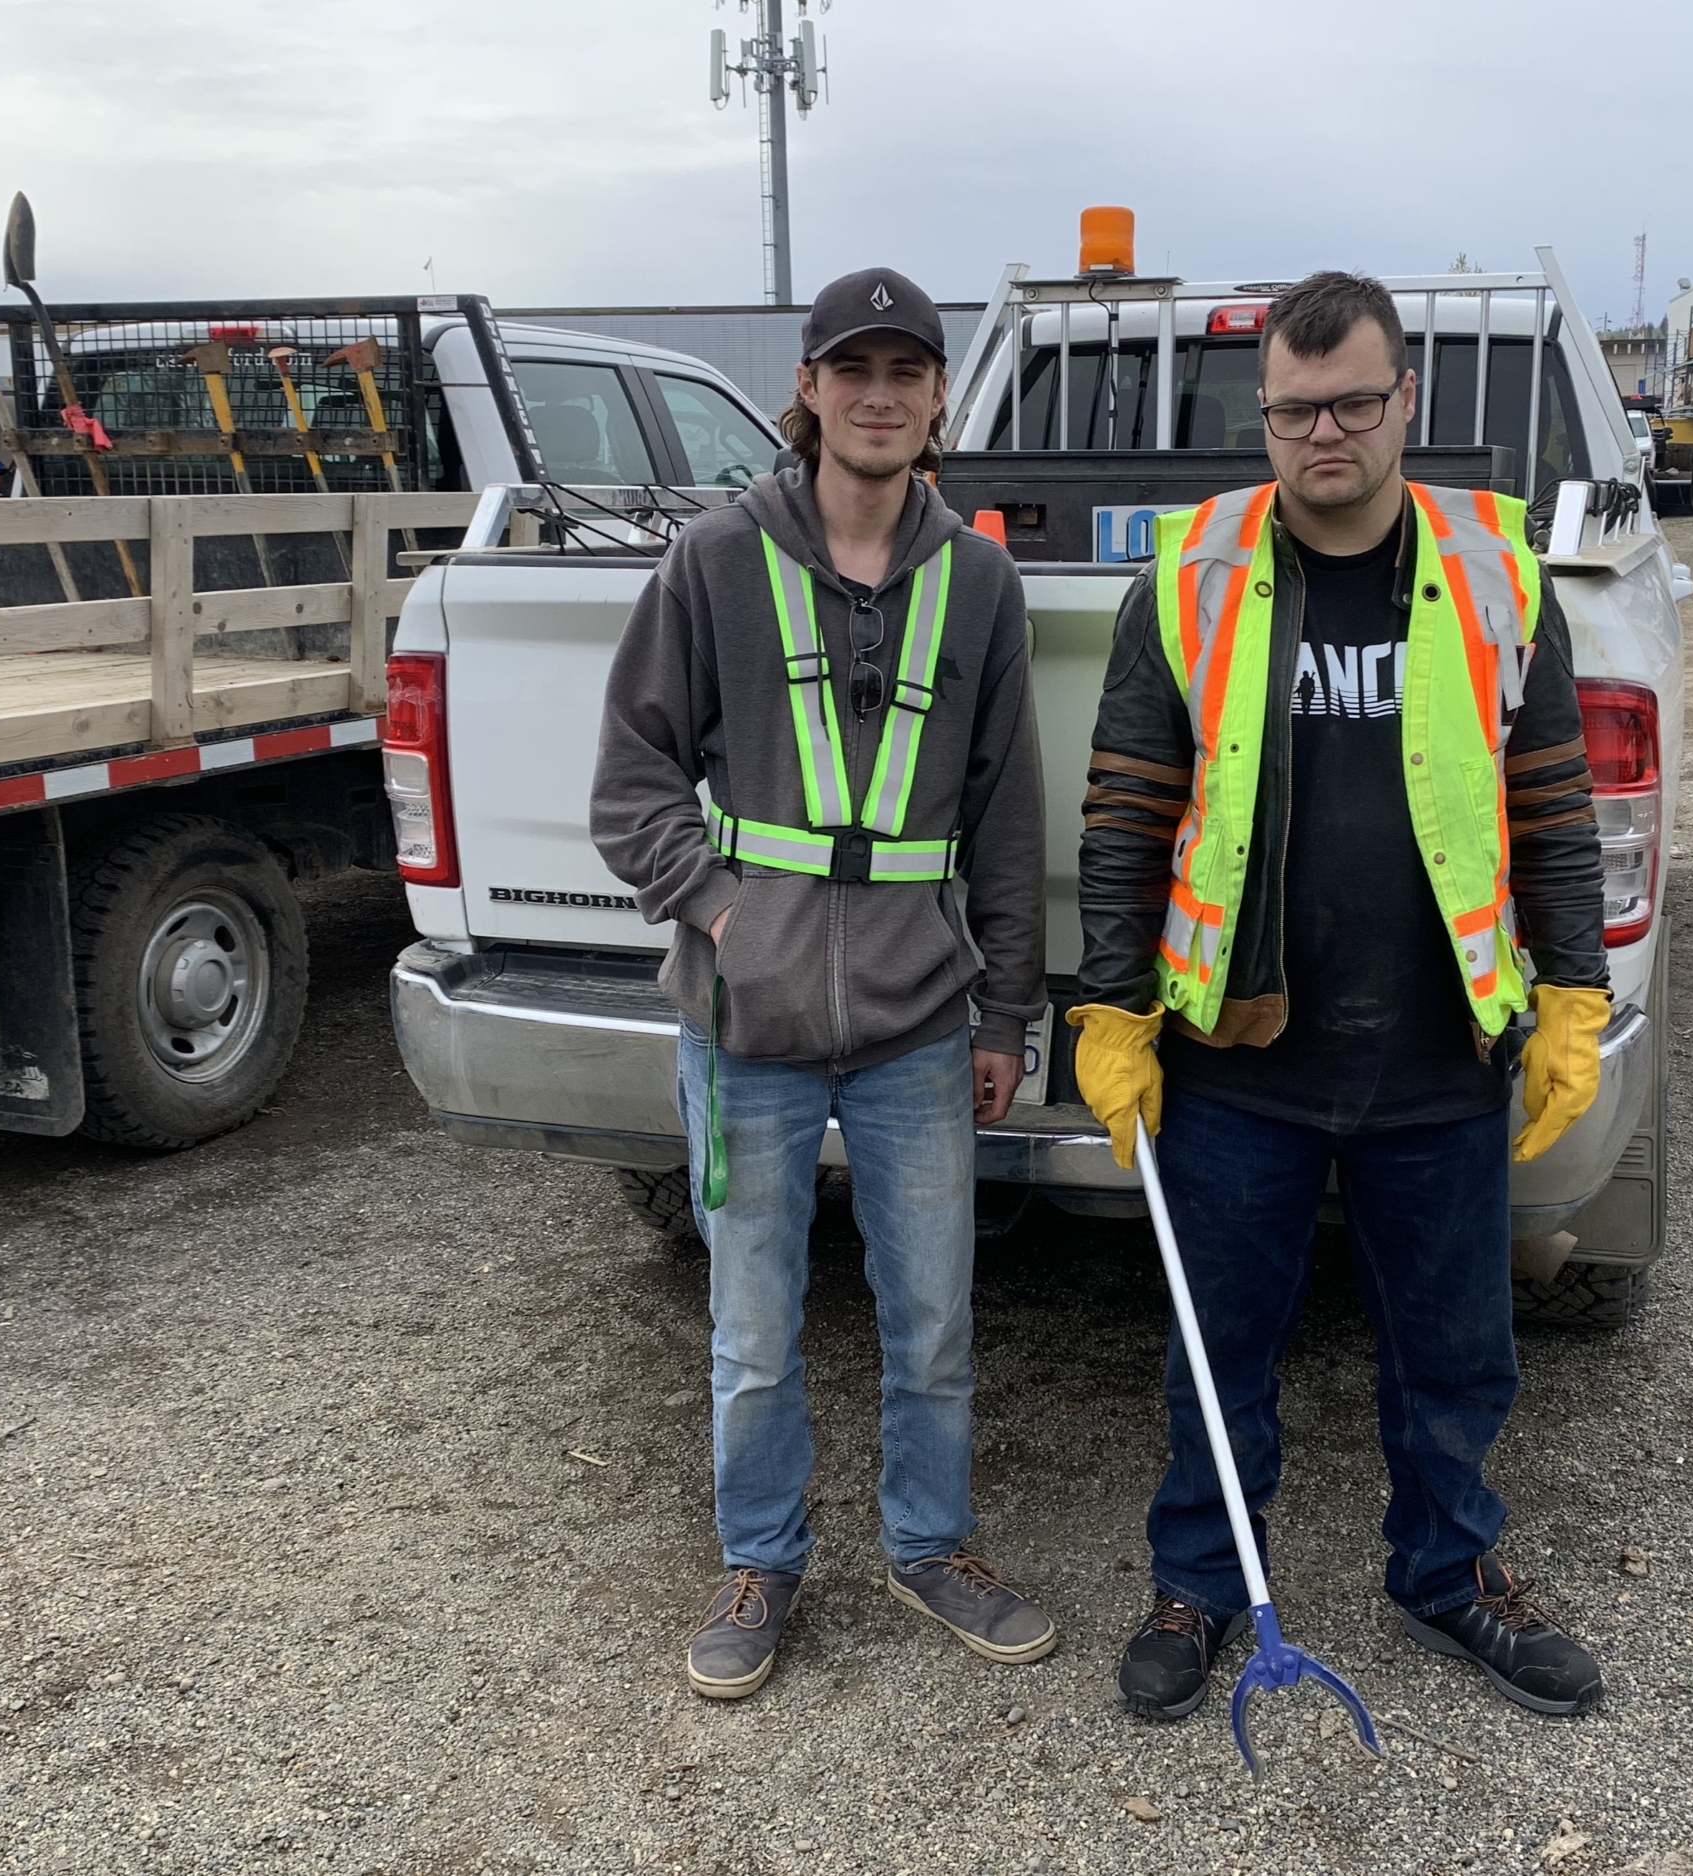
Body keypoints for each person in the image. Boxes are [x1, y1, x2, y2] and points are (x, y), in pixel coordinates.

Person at [1066, 270, 1615, 1724]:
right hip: (1240, 1061)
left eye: (1354, 403)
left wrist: (1574, 995)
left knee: (1454, 1351)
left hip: (1441, 1049)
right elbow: (1126, 808)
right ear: (1264, 416)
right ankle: (1200, 1580)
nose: (1327, 433)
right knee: (1216, 1349)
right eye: (1298, 409)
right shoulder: (1190, 576)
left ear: (1404, 402)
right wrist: (1111, 1011)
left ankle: (1447, 1572)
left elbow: (1551, 801)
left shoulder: (1497, 568)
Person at [592, 266, 1053, 1700]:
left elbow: (1008, 814)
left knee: (930, 1319)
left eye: (906, 371)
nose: (878, 393)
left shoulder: (979, 580)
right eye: (850, 368)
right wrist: (724, 915)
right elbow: (633, 783)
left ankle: (930, 1547)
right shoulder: (719, 559)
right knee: (754, 1328)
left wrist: (1005, 1013)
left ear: (936, 401)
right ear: (807, 389)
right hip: (750, 1028)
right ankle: (762, 1561)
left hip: (922, 1026)